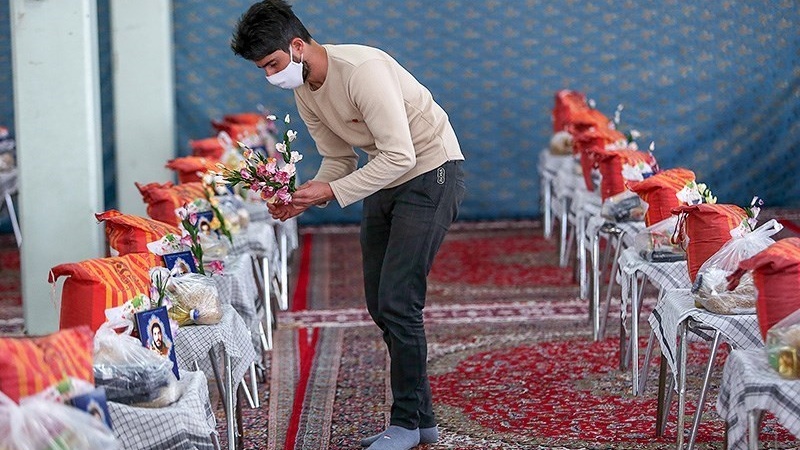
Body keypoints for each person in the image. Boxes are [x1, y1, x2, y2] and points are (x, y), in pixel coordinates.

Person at [231, 2, 465, 449]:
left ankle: (405, 424)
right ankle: (423, 420)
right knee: (380, 303)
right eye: (263, 70)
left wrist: (331, 191)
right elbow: (338, 159)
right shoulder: (305, 90)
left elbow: (402, 154)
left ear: (297, 46)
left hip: (432, 171)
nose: (271, 76)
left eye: (273, 64)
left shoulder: (362, 71)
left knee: (399, 300)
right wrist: (302, 198)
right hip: (386, 175)